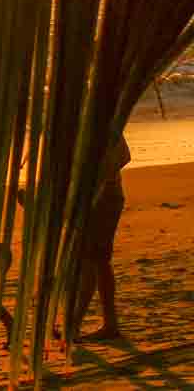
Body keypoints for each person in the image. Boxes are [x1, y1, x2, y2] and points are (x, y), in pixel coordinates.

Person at [71, 132, 131, 341]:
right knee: (90, 260)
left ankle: (109, 324)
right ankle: (75, 324)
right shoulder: (85, 116)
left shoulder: (106, 121)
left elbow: (123, 155)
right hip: (92, 197)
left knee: (98, 259)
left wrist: (101, 177)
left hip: (105, 196)